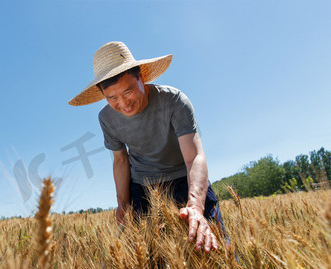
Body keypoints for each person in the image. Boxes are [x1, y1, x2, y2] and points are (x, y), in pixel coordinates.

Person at [68, 41, 225, 253]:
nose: (123, 103)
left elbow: (194, 157)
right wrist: (123, 205)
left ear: (141, 77)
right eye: (112, 98)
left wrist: (195, 206)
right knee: (151, 263)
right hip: (142, 187)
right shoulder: (106, 118)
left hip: (183, 178)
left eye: (128, 91)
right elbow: (120, 160)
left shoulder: (174, 101)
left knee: (215, 247)